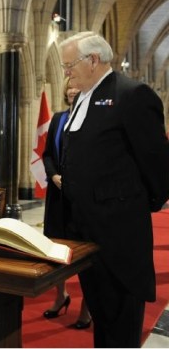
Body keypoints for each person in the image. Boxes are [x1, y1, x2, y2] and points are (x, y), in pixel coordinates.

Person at [59, 31, 169, 347]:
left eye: (70, 65)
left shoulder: (132, 94)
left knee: (121, 322)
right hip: (84, 229)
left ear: (93, 59)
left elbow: (157, 160)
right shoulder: (81, 97)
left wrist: (137, 203)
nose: (66, 73)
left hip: (118, 233)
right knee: (102, 316)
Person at [42, 77, 91, 328]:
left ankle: (86, 305)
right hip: (57, 194)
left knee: (83, 251)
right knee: (56, 248)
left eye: (76, 86)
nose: (72, 90)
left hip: (81, 196)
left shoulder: (93, 117)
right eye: (68, 87)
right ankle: (60, 295)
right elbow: (48, 153)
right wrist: (53, 175)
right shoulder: (59, 118)